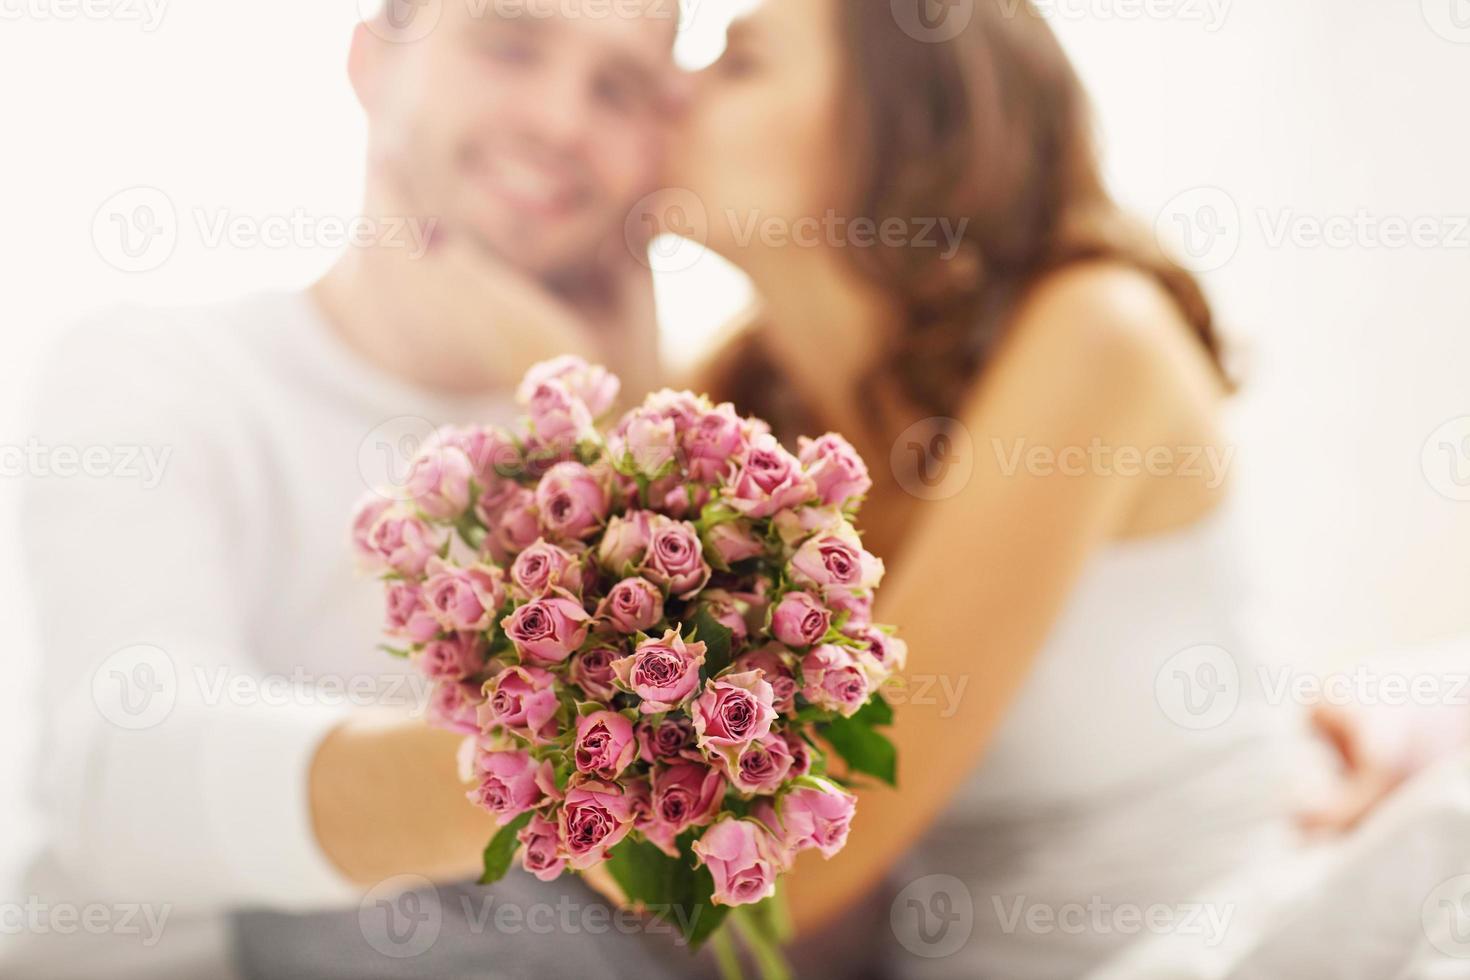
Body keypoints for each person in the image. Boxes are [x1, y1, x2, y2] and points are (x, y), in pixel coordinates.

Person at [650, 0, 1470, 975]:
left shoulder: (1094, 333)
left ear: (911, 121)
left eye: (738, 62)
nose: (672, 89)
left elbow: (796, 856)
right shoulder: (745, 396)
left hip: (1234, 933)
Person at [10, 1, 687, 977]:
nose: (562, 121)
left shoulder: (648, 446)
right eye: (508, 42)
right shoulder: (159, 369)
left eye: (618, 86)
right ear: (373, 60)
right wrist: (562, 770)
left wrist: (590, 409)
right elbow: (120, 768)